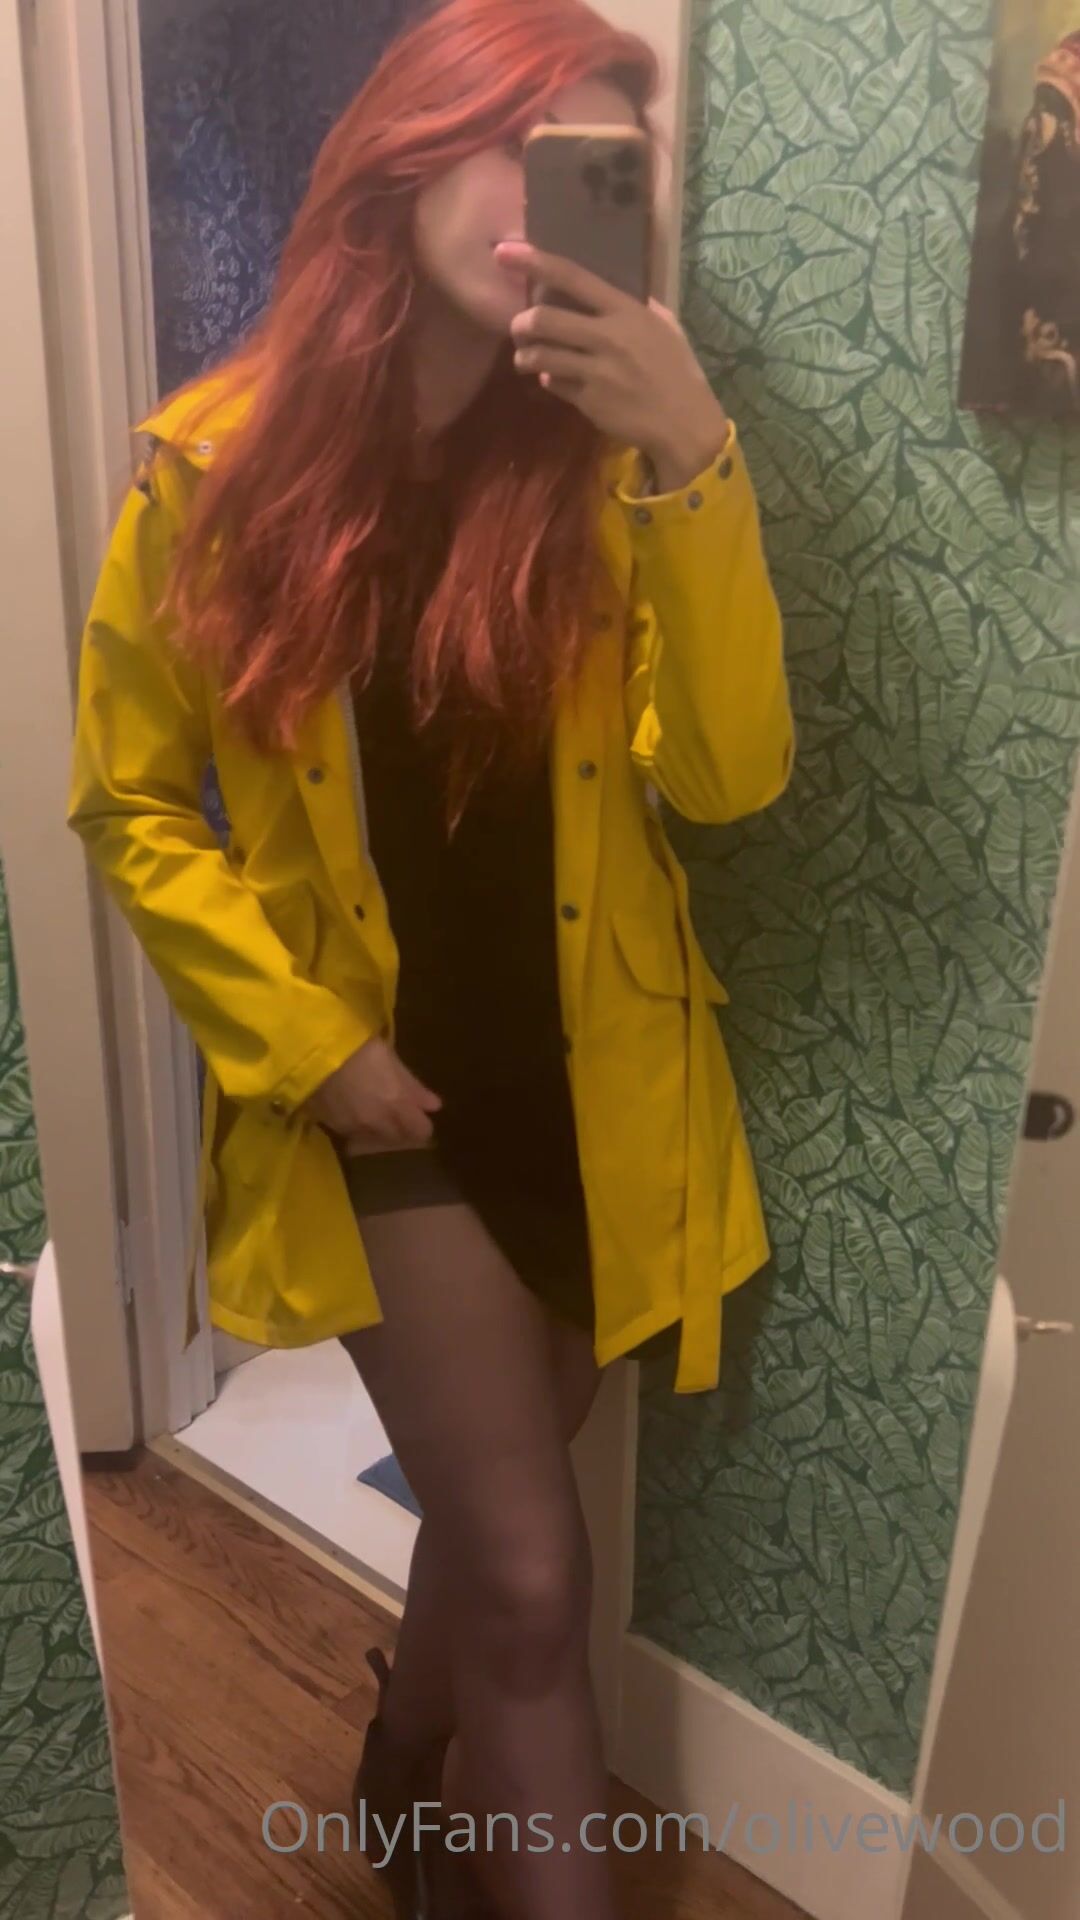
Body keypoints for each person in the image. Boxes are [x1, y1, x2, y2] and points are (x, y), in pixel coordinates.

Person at [66, 1, 793, 1913]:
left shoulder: (619, 461)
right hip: (385, 1093)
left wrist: (693, 452)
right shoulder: (213, 473)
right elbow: (129, 805)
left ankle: (401, 1746)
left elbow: (728, 776)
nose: (538, 202)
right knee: (537, 1578)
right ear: (401, 156)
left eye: (593, 165)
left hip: (593, 1076)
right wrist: (305, 1044)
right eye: (508, 144)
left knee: (505, 1488)